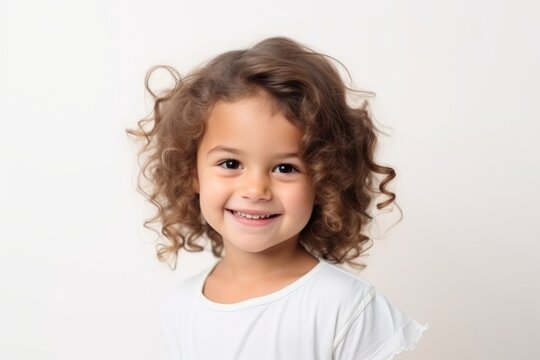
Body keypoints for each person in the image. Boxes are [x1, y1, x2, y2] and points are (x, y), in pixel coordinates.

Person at [127, 37, 428, 359]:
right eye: (231, 164)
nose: (256, 189)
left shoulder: (345, 305)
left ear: (324, 180)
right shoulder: (181, 305)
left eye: (285, 168)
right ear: (192, 172)